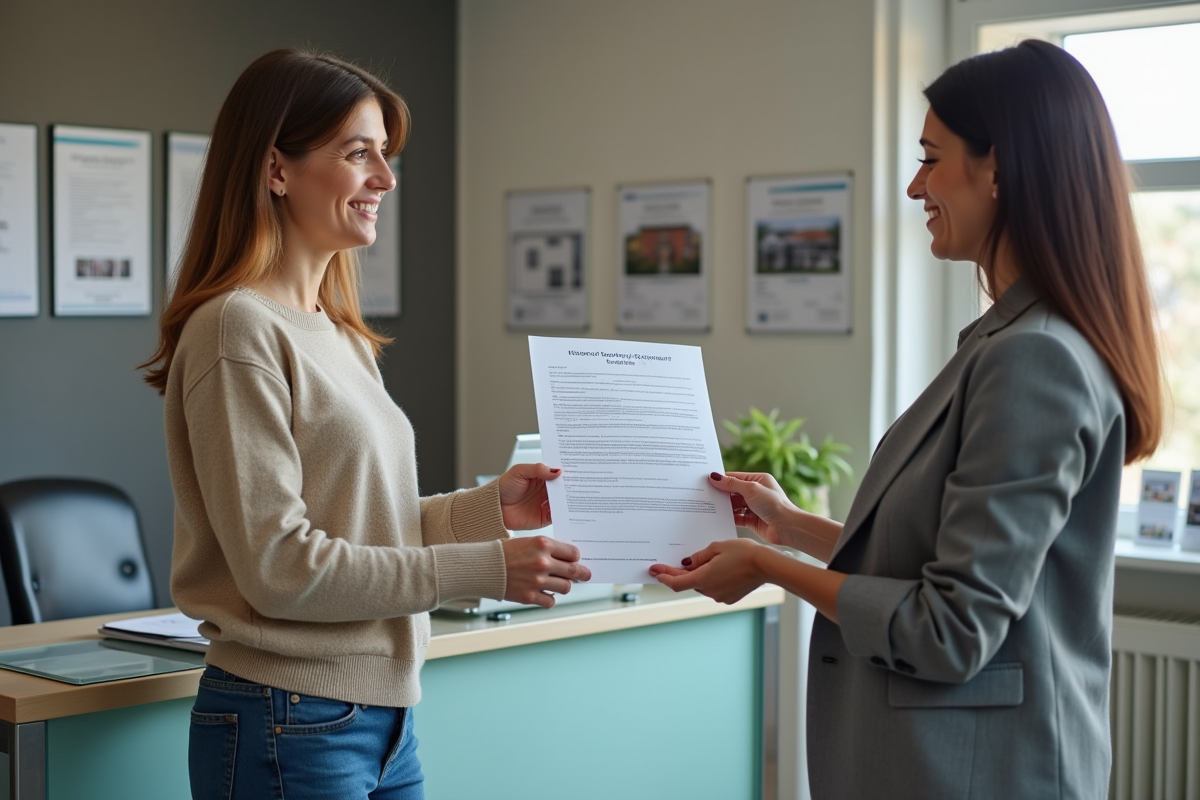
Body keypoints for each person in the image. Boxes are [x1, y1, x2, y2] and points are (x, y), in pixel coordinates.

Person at [651, 39, 1162, 799]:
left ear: (998, 166)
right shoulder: (1008, 340)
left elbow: (949, 630)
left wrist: (768, 567)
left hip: (981, 770)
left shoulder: (1035, 360)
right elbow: (935, 564)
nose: (916, 185)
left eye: (931, 157)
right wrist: (788, 525)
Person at [141, 48, 589, 800]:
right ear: (276, 169)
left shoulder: (338, 331)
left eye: (385, 155)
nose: (385, 179)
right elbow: (283, 568)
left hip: (382, 722)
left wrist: (489, 511)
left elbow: (358, 525)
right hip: (287, 718)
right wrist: (489, 569)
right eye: (358, 155)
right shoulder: (236, 330)